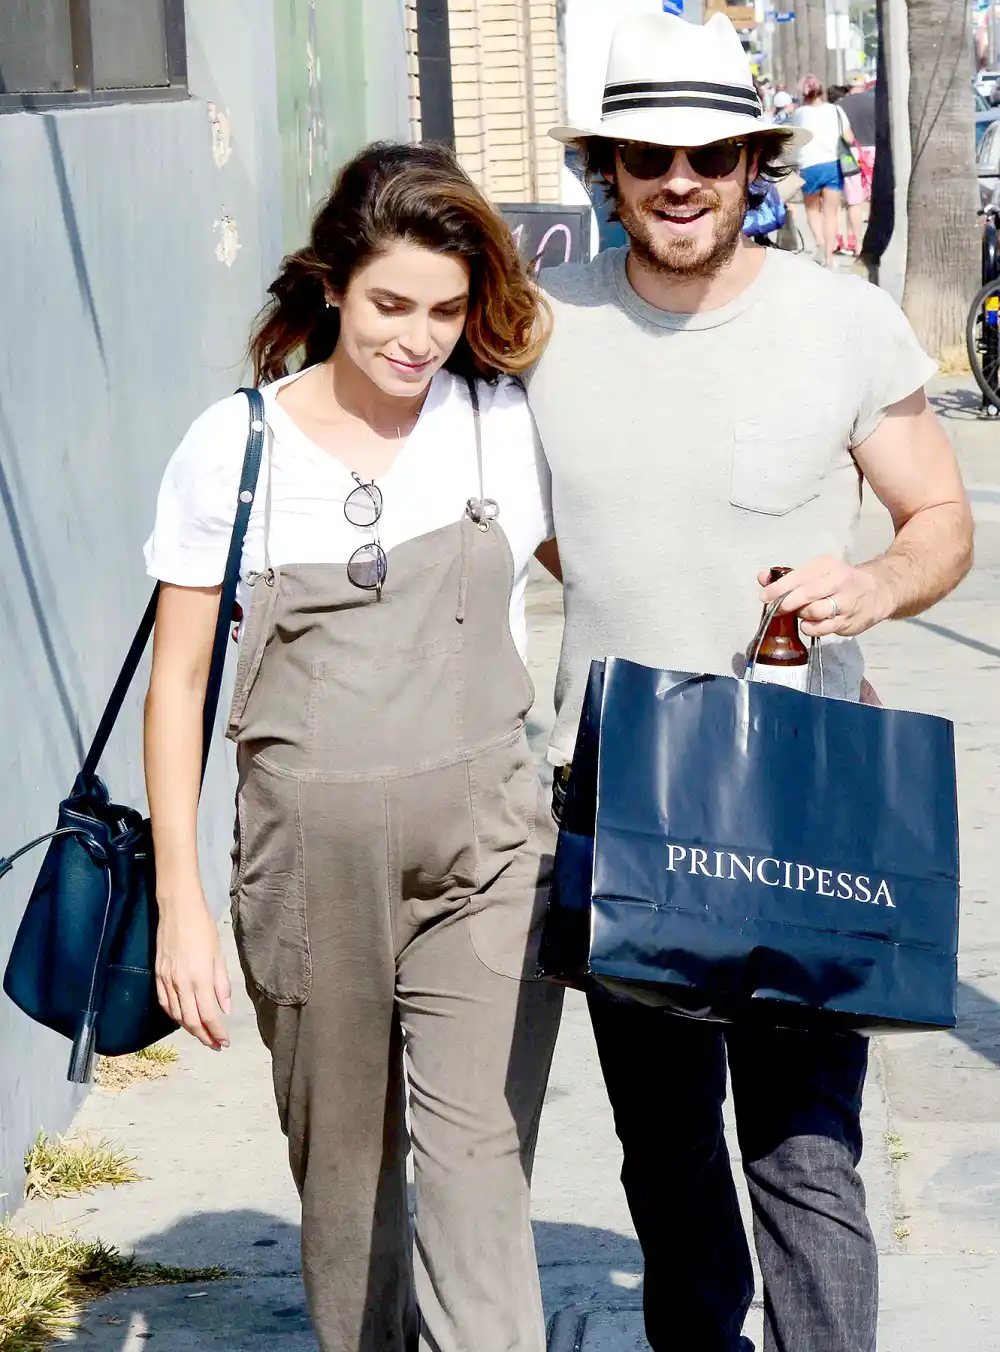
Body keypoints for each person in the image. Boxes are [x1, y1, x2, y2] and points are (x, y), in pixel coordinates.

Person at [533, 12, 973, 1352]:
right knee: (665, 1151)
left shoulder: (840, 320)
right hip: (618, 792)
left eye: (710, 156)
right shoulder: (541, 328)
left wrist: (875, 585)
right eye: (648, 157)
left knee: (805, 1153)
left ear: (753, 164)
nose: (680, 182)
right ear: (607, 169)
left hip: (804, 802)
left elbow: (940, 520)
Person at [143, 141, 564, 1352]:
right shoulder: (236, 448)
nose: (418, 339)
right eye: (390, 305)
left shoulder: (501, 425)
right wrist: (182, 906)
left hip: (489, 852)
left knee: (478, 1159)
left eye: (446, 310)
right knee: (345, 1182)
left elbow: (620, 562)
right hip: (304, 876)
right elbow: (178, 685)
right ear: (332, 285)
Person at [792, 74, 851, 266]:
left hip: (808, 166)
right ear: (821, 91)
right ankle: (829, 256)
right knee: (831, 213)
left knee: (812, 210)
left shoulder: (799, 114)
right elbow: (849, 137)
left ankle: (819, 242)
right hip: (833, 164)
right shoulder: (836, 110)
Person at [828, 84, 871, 257]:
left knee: (836, 204)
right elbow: (849, 137)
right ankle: (857, 243)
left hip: (835, 159)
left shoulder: (834, 110)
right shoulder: (871, 103)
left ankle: (839, 241)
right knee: (854, 202)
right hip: (854, 158)